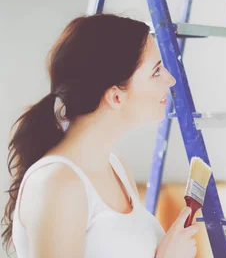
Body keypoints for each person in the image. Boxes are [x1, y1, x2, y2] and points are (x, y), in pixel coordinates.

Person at [2, 14, 199, 258]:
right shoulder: (58, 184)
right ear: (116, 96)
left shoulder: (117, 169)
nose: (170, 79)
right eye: (156, 71)